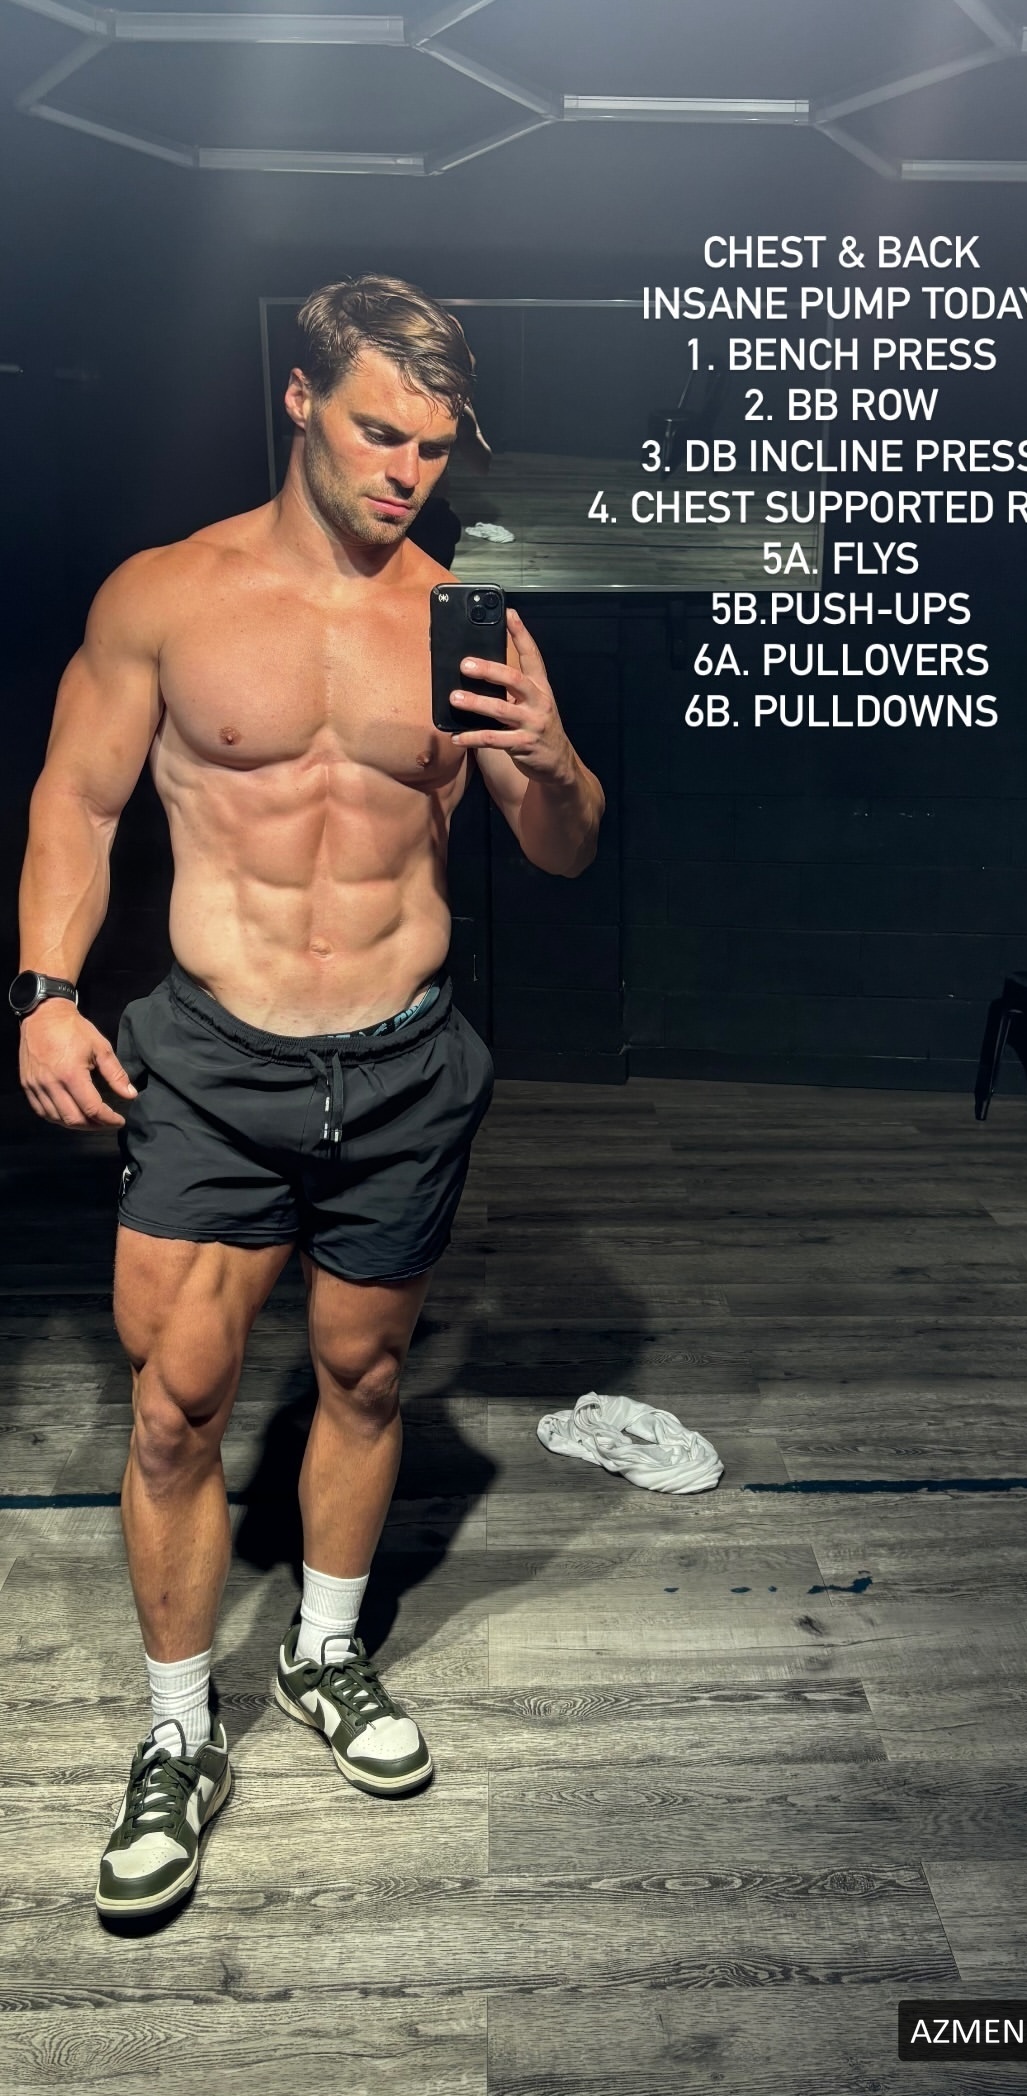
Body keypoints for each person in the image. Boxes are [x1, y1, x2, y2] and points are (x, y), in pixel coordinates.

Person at [12, 274, 603, 1919]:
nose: (406, 471)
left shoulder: (470, 622)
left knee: (365, 1375)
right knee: (174, 1407)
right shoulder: (168, 595)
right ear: (298, 399)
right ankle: (176, 1734)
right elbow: (77, 802)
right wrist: (45, 995)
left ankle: (326, 1656)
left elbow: (561, 850)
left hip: (404, 1064)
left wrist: (554, 754)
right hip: (217, 1066)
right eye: (376, 431)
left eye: (433, 446)